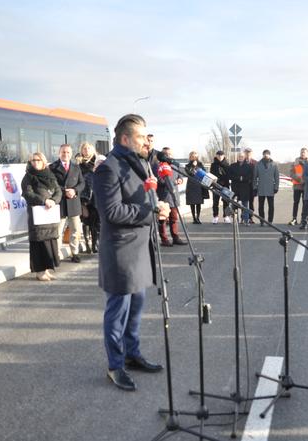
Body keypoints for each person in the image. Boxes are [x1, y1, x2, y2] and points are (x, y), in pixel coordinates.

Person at [93, 114, 170, 391]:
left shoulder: (139, 163)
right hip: (121, 252)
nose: (147, 141)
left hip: (140, 248)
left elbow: (144, 198)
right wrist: (149, 212)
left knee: (136, 308)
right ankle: (115, 366)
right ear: (125, 139)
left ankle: (131, 353)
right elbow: (111, 212)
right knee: (118, 312)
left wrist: (159, 203)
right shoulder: (109, 168)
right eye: (141, 136)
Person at [21, 152, 62, 281]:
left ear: (43, 161)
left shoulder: (50, 175)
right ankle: (39, 271)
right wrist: (44, 201)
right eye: (33, 160)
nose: (35, 162)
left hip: (49, 215)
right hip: (37, 215)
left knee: (49, 242)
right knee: (39, 243)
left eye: (38, 160)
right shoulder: (28, 177)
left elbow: (58, 191)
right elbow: (28, 194)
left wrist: (54, 201)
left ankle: (46, 270)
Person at [50, 144, 85, 263]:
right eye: (63, 152)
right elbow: (51, 184)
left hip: (73, 202)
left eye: (68, 153)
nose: (66, 154)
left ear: (71, 154)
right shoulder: (53, 167)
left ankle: (74, 253)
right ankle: (57, 255)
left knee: (76, 230)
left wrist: (74, 190)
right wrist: (65, 191)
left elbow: (82, 183)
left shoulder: (76, 167)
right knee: (58, 231)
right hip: (60, 203)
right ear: (59, 153)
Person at [154, 147, 187, 247]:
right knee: (163, 218)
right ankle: (164, 239)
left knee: (174, 218)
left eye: (170, 154)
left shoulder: (174, 166)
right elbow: (160, 180)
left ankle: (175, 237)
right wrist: (172, 183)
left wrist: (180, 180)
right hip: (164, 196)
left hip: (174, 196)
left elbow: (180, 176)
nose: (169, 156)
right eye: (166, 154)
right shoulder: (159, 166)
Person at [75, 142, 100, 253]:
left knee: (96, 221)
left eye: (88, 148)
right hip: (83, 197)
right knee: (85, 220)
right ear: (81, 150)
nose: (86, 150)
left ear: (93, 150)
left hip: (96, 196)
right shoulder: (77, 164)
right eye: (84, 148)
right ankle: (87, 244)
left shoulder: (98, 161)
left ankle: (95, 244)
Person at [253, 149, 280, 225]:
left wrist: (276, 187)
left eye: (267, 154)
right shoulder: (258, 164)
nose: (266, 155)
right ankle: (262, 221)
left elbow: (277, 177)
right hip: (261, 188)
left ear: (269, 155)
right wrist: (254, 187)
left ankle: (270, 221)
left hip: (270, 188)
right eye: (265, 154)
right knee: (260, 206)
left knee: (271, 206)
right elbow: (255, 177)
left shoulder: (274, 165)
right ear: (263, 155)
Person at [228, 152, 254, 225]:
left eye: (242, 156)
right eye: (239, 156)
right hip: (235, 188)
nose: (240, 157)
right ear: (237, 157)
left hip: (245, 188)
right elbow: (230, 175)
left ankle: (246, 220)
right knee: (234, 204)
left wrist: (243, 178)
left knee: (245, 205)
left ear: (244, 157)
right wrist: (239, 178)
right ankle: (235, 220)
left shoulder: (249, 166)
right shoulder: (232, 166)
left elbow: (250, 176)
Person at [185, 151, 207, 224]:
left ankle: (198, 217)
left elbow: (204, 172)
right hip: (191, 185)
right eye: (192, 157)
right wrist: (193, 166)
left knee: (198, 203)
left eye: (195, 157)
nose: (194, 158)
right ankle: (194, 218)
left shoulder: (200, 164)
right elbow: (190, 173)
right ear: (190, 157)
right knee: (192, 203)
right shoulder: (187, 165)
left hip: (198, 185)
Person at [288, 147, 308, 225]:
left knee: (305, 203)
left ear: (307, 153)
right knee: (296, 202)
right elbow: (291, 173)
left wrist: (305, 180)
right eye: (301, 152)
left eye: (304, 152)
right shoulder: (295, 162)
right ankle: (294, 218)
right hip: (297, 186)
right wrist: (299, 180)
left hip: (306, 186)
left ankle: (303, 218)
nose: (302, 153)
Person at [210, 150, 231, 223]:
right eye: (218, 155)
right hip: (216, 185)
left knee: (226, 201)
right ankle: (215, 216)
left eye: (221, 155)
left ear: (224, 156)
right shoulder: (213, 165)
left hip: (225, 185)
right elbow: (211, 175)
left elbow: (229, 175)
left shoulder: (227, 164)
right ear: (216, 156)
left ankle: (226, 216)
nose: (220, 156)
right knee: (215, 202)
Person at [244, 147, 257, 222]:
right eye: (246, 152)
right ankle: (244, 217)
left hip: (252, 185)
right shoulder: (241, 161)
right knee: (244, 201)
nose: (248, 154)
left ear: (251, 153)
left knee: (251, 202)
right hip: (243, 186)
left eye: (249, 152)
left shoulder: (255, 163)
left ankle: (250, 217)